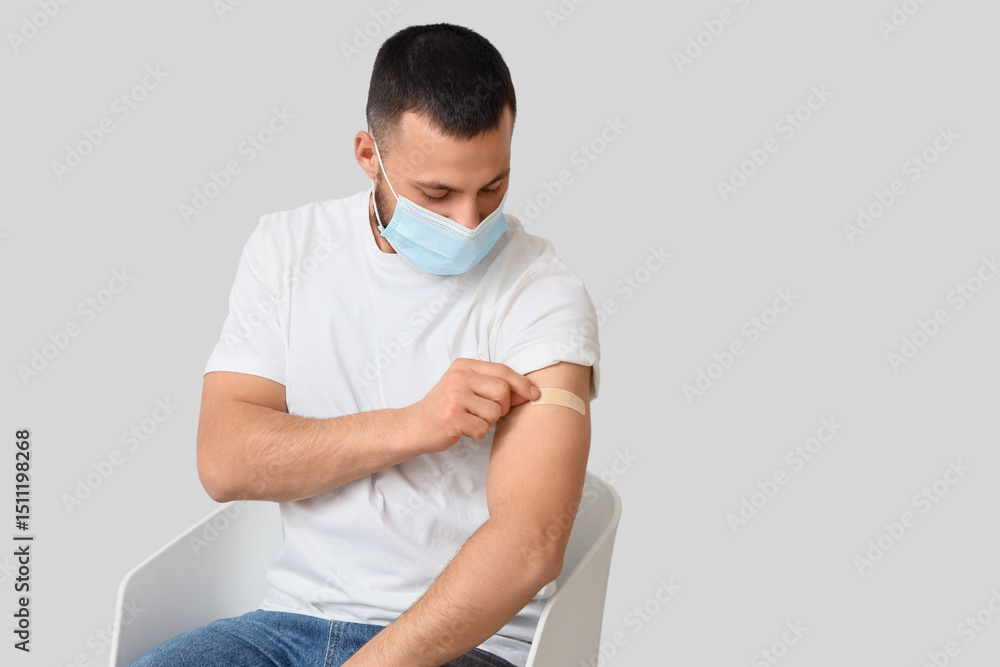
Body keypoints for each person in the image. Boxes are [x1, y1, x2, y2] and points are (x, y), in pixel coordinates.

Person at [130, 21, 600, 667]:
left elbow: (530, 542)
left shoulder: (542, 295)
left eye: (492, 187)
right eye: (437, 194)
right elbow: (225, 462)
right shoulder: (288, 247)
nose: (469, 222)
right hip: (288, 623)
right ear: (367, 154)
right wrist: (415, 424)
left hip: (467, 646)